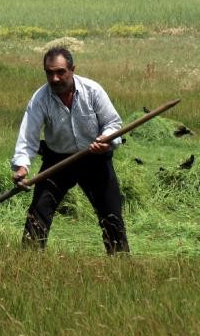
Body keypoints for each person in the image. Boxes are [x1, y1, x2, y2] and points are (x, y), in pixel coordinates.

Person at [12, 47, 129, 254]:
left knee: (111, 215)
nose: (55, 78)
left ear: (72, 69)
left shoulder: (92, 91)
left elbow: (113, 124)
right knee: (38, 212)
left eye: (60, 72)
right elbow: (27, 137)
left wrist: (106, 141)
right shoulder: (40, 99)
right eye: (49, 73)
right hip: (58, 161)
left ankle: (120, 262)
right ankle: (27, 261)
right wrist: (22, 166)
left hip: (94, 158)